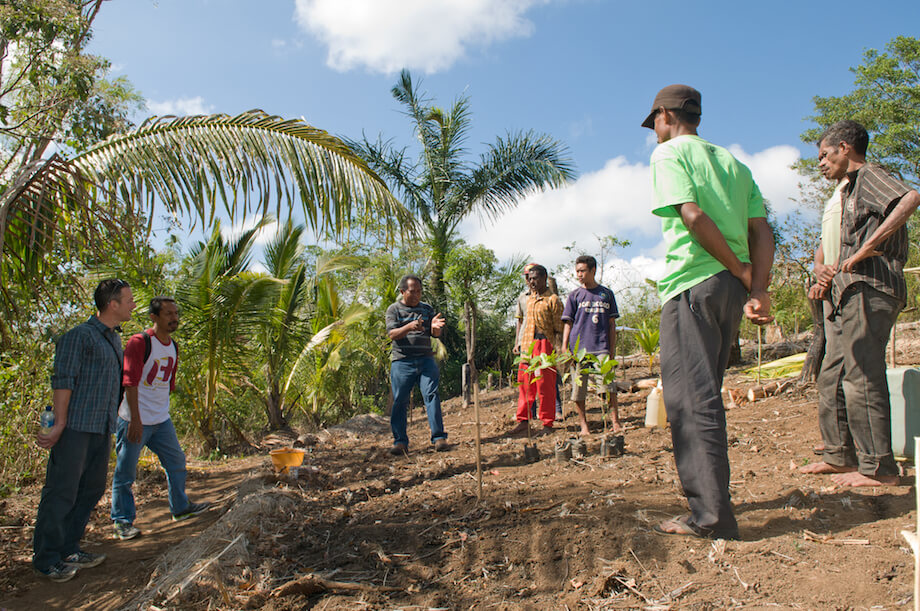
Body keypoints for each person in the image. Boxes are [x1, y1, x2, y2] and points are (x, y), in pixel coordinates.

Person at [641, 85, 774, 539]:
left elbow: (693, 216)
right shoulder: (734, 163)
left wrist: (734, 266)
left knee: (689, 402)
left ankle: (711, 518)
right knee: (707, 395)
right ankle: (714, 506)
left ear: (664, 116)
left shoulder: (669, 154)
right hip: (729, 292)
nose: (654, 133)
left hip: (693, 284)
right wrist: (755, 287)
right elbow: (762, 229)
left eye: (654, 124)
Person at [799, 120, 920, 487]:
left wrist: (869, 247)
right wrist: (820, 269)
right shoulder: (844, 193)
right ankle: (839, 456)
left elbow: (910, 198)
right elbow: (828, 243)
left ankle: (879, 468)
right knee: (833, 374)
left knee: (861, 372)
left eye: (824, 154)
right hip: (843, 291)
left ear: (845, 148)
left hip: (870, 284)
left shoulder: (869, 175)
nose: (819, 162)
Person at [33, 279, 136, 581]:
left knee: (91, 489)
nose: (133, 305)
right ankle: (47, 559)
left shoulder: (113, 340)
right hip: (75, 428)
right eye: (128, 299)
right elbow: (63, 380)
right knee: (62, 491)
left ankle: (69, 548)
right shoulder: (80, 336)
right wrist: (60, 423)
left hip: (101, 428)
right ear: (112, 304)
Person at [110, 297, 210, 541]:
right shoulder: (139, 342)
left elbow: (167, 385)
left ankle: (180, 507)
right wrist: (135, 419)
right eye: (168, 314)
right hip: (134, 419)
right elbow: (130, 382)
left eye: (176, 313)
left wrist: (160, 412)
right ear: (154, 317)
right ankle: (122, 521)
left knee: (176, 462)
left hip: (160, 420)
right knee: (125, 472)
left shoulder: (173, 346)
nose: (174, 318)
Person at [385, 275, 448, 455]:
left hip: (426, 359)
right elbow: (392, 334)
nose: (417, 295)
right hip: (402, 361)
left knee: (431, 395)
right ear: (402, 291)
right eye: (413, 292)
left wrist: (436, 329)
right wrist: (409, 327)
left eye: (419, 291)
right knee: (400, 401)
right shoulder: (393, 310)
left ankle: (439, 438)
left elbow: (433, 332)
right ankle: (400, 442)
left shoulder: (426, 309)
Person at [561, 255, 621, 436]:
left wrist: (612, 350)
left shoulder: (606, 294)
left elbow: (612, 325)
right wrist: (565, 347)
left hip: (601, 347)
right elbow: (568, 323)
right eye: (577, 271)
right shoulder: (574, 296)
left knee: (608, 387)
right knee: (579, 391)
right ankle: (584, 426)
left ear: (593, 270)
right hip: (579, 351)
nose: (579, 274)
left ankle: (615, 422)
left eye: (582, 271)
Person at [507, 264, 563, 437]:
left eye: (536, 278)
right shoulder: (528, 298)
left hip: (544, 343)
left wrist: (560, 349)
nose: (532, 282)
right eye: (530, 279)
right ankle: (523, 421)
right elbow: (522, 323)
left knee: (545, 384)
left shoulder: (552, 299)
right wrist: (519, 343)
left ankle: (547, 422)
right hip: (527, 345)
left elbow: (559, 327)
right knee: (525, 383)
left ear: (544, 278)